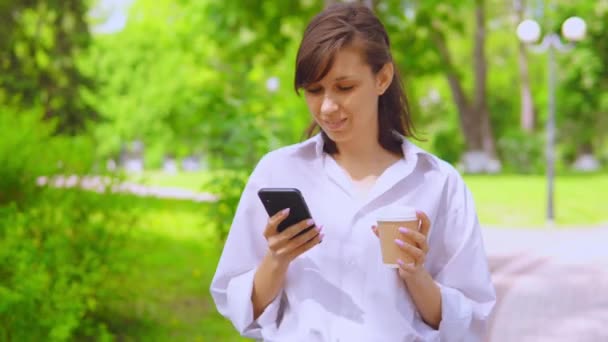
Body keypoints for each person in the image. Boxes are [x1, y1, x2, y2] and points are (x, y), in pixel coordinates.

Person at [210, 3, 496, 341]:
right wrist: (277, 258)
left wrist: (415, 273)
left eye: (344, 87)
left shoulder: (437, 183)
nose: (327, 107)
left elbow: (470, 321)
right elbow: (238, 304)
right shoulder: (279, 172)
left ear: (383, 78)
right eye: (314, 90)